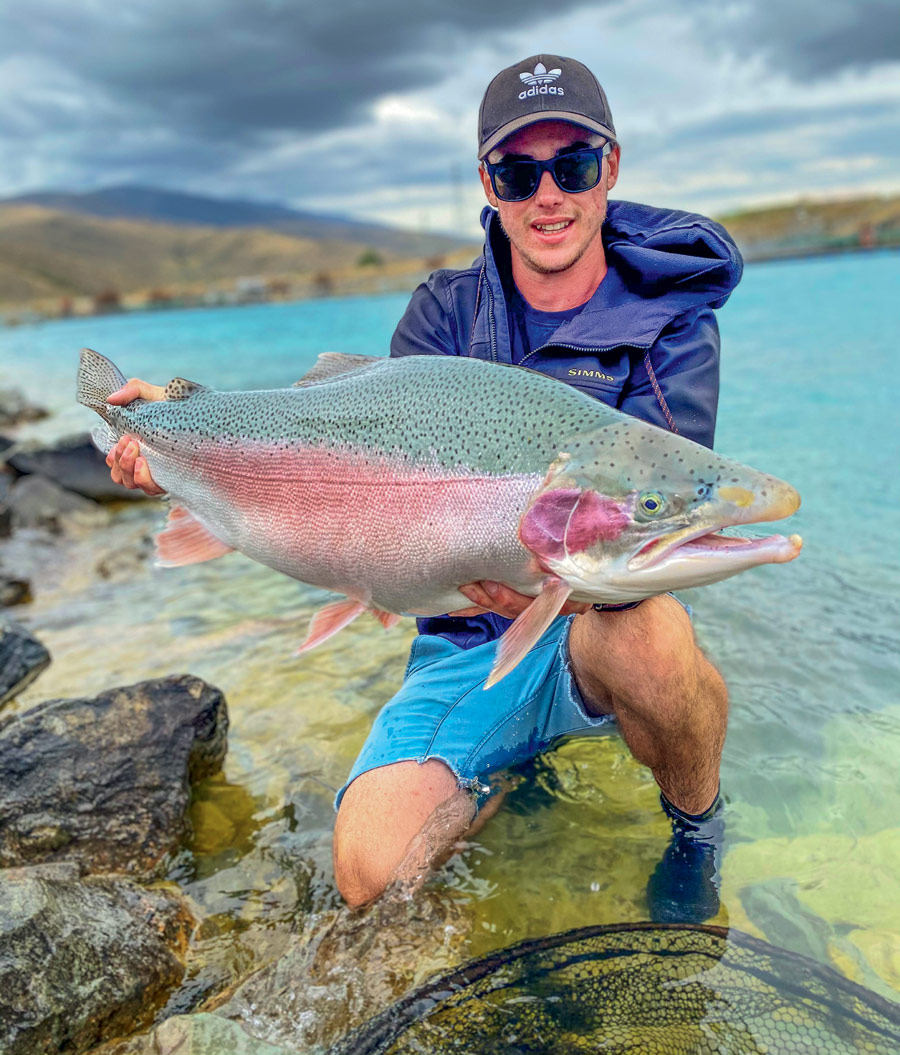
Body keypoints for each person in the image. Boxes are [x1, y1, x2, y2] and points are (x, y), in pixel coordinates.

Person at [106, 54, 742, 921]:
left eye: (574, 166)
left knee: (654, 641)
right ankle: (509, 764)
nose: (548, 194)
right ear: (489, 182)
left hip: (606, 624)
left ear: (611, 170)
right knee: (370, 869)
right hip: (464, 642)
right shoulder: (442, 312)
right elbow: (336, 445)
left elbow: (658, 517)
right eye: (520, 172)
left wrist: (556, 589)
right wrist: (178, 420)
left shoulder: (674, 321)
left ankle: (695, 829)